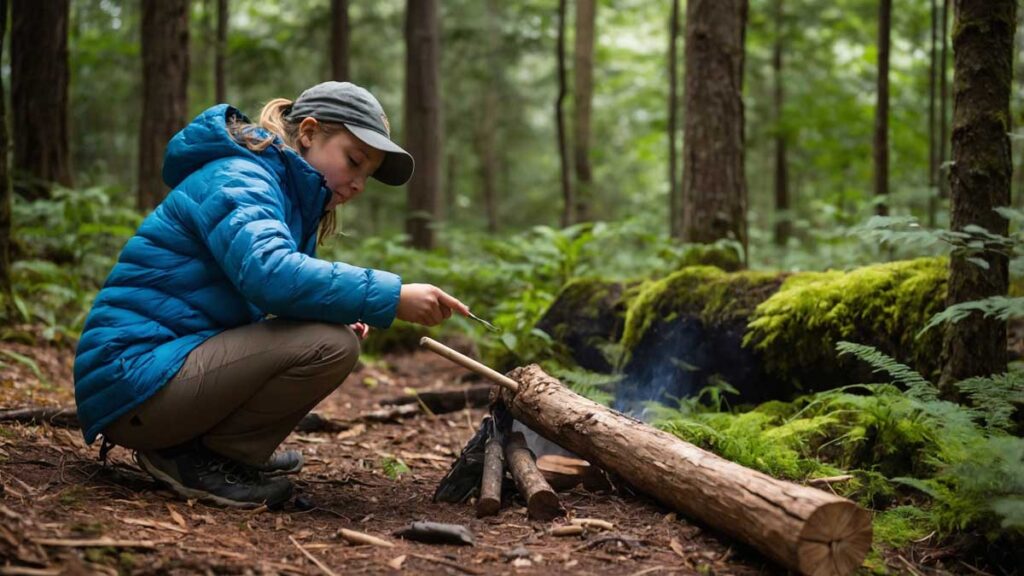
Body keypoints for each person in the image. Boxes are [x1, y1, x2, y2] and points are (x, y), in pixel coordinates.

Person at [73, 81, 469, 508]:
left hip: (152, 377)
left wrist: (332, 310)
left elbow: (255, 294)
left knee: (333, 336)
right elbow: (270, 274)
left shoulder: (280, 193)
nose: (357, 184)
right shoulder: (241, 177)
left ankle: (220, 454)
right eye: (353, 161)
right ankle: (196, 458)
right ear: (309, 133)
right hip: (134, 378)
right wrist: (392, 296)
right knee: (330, 344)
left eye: (366, 175)